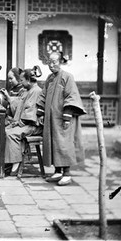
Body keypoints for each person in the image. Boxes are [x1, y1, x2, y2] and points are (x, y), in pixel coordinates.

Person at [36, 52, 86, 186]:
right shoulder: (50, 78)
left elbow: (71, 96)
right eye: (49, 62)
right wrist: (40, 113)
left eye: (54, 62)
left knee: (64, 144)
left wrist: (67, 116)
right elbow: (43, 95)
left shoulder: (67, 77)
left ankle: (67, 173)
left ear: (61, 62)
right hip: (51, 118)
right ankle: (57, 171)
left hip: (63, 118)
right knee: (53, 143)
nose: (51, 65)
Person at [1, 67, 43, 176]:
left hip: (33, 125)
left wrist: (19, 123)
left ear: (28, 80)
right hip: (25, 122)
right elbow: (19, 107)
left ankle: (16, 162)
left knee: (11, 133)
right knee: (5, 129)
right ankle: (9, 161)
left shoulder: (36, 91)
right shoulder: (27, 90)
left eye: (22, 80)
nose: (21, 82)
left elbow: (30, 111)